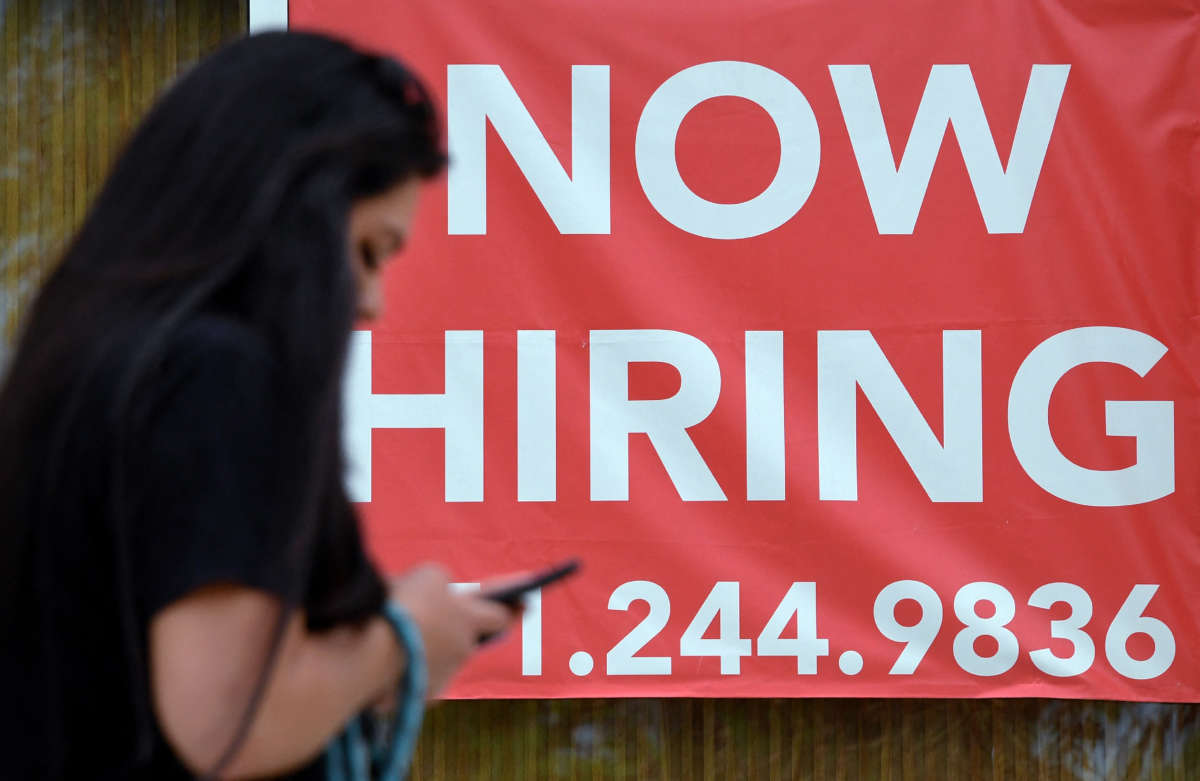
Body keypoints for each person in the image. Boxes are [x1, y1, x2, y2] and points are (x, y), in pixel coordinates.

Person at [0, 31, 515, 780]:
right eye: (368, 250)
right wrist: (402, 634)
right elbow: (226, 721)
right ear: (294, 206)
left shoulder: (88, 363)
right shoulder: (220, 375)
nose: (370, 303)